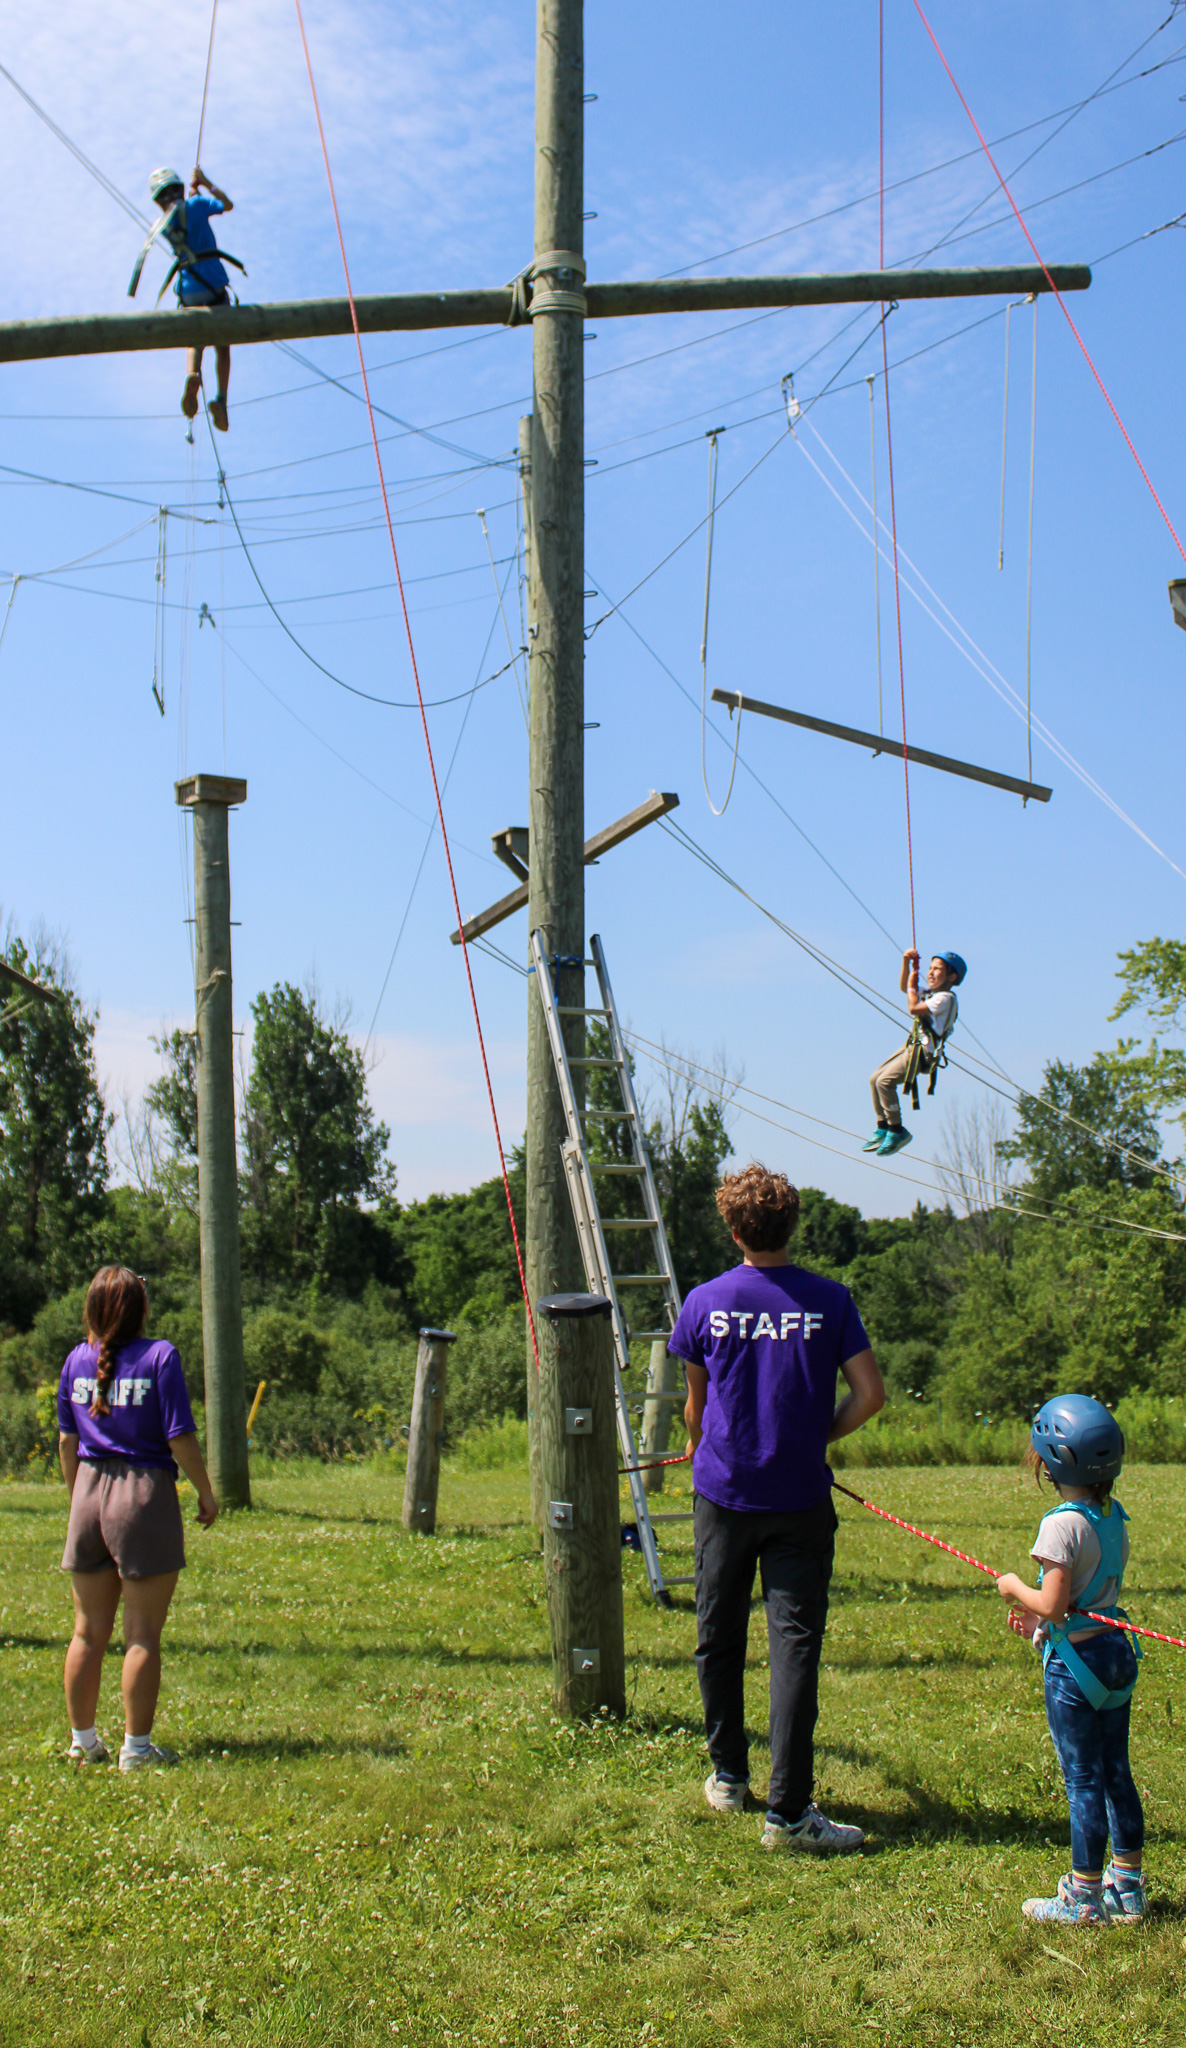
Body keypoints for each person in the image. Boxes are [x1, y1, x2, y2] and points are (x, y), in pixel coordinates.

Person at [668, 1163, 885, 1854]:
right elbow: (870, 1394)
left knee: (718, 1632)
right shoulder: (830, 1299)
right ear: (792, 1226)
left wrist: (701, 1440)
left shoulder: (704, 1301)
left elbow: (696, 1410)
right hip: (799, 1497)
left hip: (723, 1494)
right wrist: (817, 1434)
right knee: (794, 1648)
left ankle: (729, 1774)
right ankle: (789, 1815)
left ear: (735, 1230)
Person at [57, 1265, 218, 1771]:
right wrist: (206, 1492)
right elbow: (179, 1438)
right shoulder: (159, 1356)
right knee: (143, 1633)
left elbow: (67, 1441)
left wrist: (77, 1497)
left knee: (86, 1631)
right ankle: (137, 1749)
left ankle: (83, 1742)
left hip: (88, 1491)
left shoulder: (75, 1361)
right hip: (142, 1494)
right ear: (139, 1309)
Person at [995, 1393, 1146, 1926]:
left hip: (1075, 1672)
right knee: (1116, 1772)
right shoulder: (1113, 1517)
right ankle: (1127, 1888)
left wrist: (1015, 1587)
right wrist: (1041, 1628)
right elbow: (1087, 1600)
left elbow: (1056, 1602)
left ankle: (1082, 1899)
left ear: (1051, 1461)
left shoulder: (1060, 1524)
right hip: (1112, 1656)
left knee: (1082, 1779)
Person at [130, 165, 241, 431]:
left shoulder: (163, 224)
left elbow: (184, 219)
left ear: (158, 201)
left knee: (195, 339)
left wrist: (193, 198)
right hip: (213, 283)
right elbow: (227, 205)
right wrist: (204, 184)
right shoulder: (199, 205)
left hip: (189, 288)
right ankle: (222, 400)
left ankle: (193, 373)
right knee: (223, 346)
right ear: (180, 188)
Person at [865, 947, 966, 1157]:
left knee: (885, 1082)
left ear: (952, 976)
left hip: (923, 1053)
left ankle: (897, 1129)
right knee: (875, 1079)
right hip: (913, 1047)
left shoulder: (945, 998)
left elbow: (913, 1008)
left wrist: (912, 989)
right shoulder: (932, 995)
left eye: (937, 969)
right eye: (930, 968)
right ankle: (882, 1125)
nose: (930, 973)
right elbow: (905, 988)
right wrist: (906, 964)